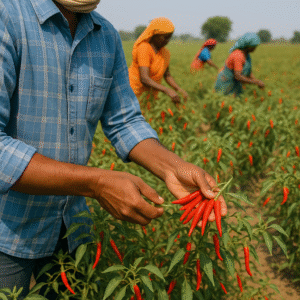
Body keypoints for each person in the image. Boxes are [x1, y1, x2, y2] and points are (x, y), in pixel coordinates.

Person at [0, 1, 227, 298]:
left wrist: (174, 168)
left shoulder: (105, 34)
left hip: (72, 226)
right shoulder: (7, 17)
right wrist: (95, 183)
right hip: (9, 228)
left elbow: (124, 120)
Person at [128, 17, 188, 104]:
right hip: (134, 94)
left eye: (169, 37)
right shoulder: (144, 48)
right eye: (165, 37)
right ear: (155, 35)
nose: (167, 41)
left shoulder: (165, 52)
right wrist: (167, 90)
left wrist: (178, 89)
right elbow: (144, 79)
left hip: (151, 94)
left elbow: (167, 75)